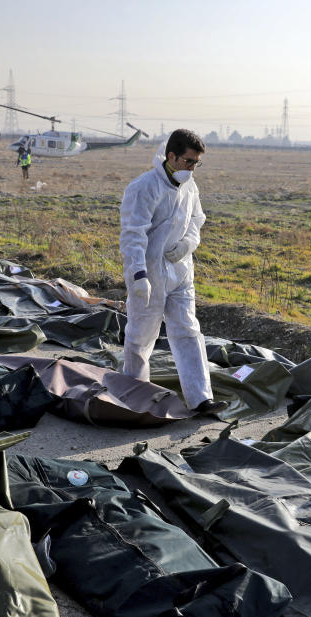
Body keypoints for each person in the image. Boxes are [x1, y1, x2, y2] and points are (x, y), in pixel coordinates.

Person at [119, 129, 227, 416]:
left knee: (188, 330)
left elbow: (197, 219)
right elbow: (133, 234)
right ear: (171, 156)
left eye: (196, 163)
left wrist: (188, 244)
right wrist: (138, 274)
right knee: (142, 334)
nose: (192, 168)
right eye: (189, 161)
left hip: (180, 271)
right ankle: (134, 393)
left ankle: (200, 398)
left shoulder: (190, 187)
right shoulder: (144, 187)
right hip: (150, 273)